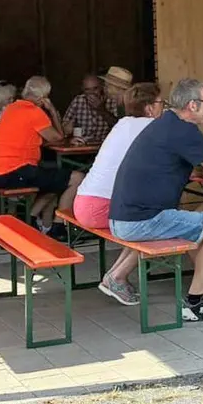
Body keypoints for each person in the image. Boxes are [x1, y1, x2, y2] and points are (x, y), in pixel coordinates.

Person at [109, 78, 203, 321]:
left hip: (123, 216)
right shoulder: (185, 130)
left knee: (201, 224)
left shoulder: (165, 123)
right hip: (143, 220)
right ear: (192, 105)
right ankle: (195, 302)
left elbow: (190, 168)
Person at [73, 82, 163, 307]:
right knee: (157, 222)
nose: (165, 108)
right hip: (100, 206)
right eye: (162, 103)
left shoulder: (123, 123)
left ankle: (114, 275)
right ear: (150, 108)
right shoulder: (150, 127)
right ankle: (117, 277)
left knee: (145, 216)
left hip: (84, 201)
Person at [0, 76, 85, 235]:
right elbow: (58, 138)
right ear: (43, 97)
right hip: (15, 172)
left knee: (56, 179)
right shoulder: (33, 111)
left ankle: (31, 218)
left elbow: (30, 138)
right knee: (77, 178)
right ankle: (58, 226)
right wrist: (53, 111)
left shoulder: (12, 108)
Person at [62, 72, 118, 145]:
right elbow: (65, 127)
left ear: (101, 87)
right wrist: (68, 130)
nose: (92, 93)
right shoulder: (78, 100)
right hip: (82, 146)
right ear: (82, 90)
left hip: (104, 145)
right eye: (87, 90)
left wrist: (101, 109)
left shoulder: (111, 100)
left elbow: (117, 126)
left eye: (95, 88)